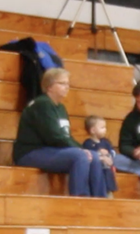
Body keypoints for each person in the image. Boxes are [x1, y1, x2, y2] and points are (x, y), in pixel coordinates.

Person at [12, 68, 108, 198]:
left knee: (94, 157)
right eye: (62, 83)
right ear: (50, 86)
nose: (66, 87)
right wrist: (79, 150)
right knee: (80, 156)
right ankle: (80, 200)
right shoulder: (42, 104)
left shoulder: (61, 108)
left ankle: (100, 201)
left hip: (51, 150)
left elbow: (66, 137)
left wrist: (82, 149)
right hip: (30, 152)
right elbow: (53, 136)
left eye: (68, 84)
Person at [82, 115, 119, 195]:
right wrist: (101, 157)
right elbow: (89, 157)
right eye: (102, 128)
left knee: (109, 195)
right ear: (93, 130)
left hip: (108, 174)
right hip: (96, 175)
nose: (105, 130)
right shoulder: (88, 144)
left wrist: (110, 157)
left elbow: (112, 152)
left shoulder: (106, 142)